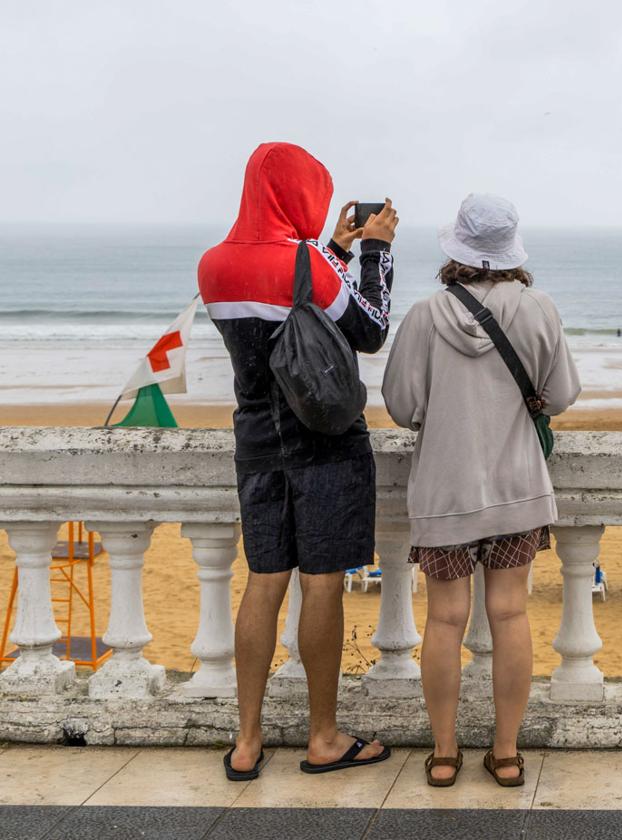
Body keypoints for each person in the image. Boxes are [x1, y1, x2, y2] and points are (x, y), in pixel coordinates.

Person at [198, 142, 397, 780]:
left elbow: (282, 315)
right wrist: (374, 252)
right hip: (325, 443)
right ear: (298, 194)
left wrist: (329, 254)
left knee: (263, 582)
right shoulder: (307, 261)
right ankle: (323, 736)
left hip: (257, 443)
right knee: (320, 583)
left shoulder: (213, 266)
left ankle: (248, 741)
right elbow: (368, 328)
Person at [383, 193, 580, 788]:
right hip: (517, 488)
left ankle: (445, 755)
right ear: (510, 250)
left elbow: (400, 406)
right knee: (511, 613)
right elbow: (563, 393)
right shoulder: (539, 308)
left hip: (444, 491)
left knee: (444, 621)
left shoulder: (424, 316)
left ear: (457, 249)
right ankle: (507, 753)